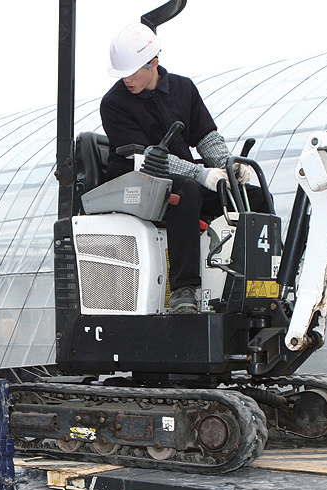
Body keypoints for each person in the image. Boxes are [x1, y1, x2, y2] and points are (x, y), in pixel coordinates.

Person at [99, 22, 271, 314]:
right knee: (186, 191)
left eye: (132, 71)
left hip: (181, 176)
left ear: (153, 62)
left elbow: (205, 136)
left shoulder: (183, 88)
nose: (127, 79)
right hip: (135, 182)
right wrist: (201, 174)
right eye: (122, 74)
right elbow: (147, 158)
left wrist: (228, 167)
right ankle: (183, 290)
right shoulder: (114, 104)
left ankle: (260, 278)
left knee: (253, 197)